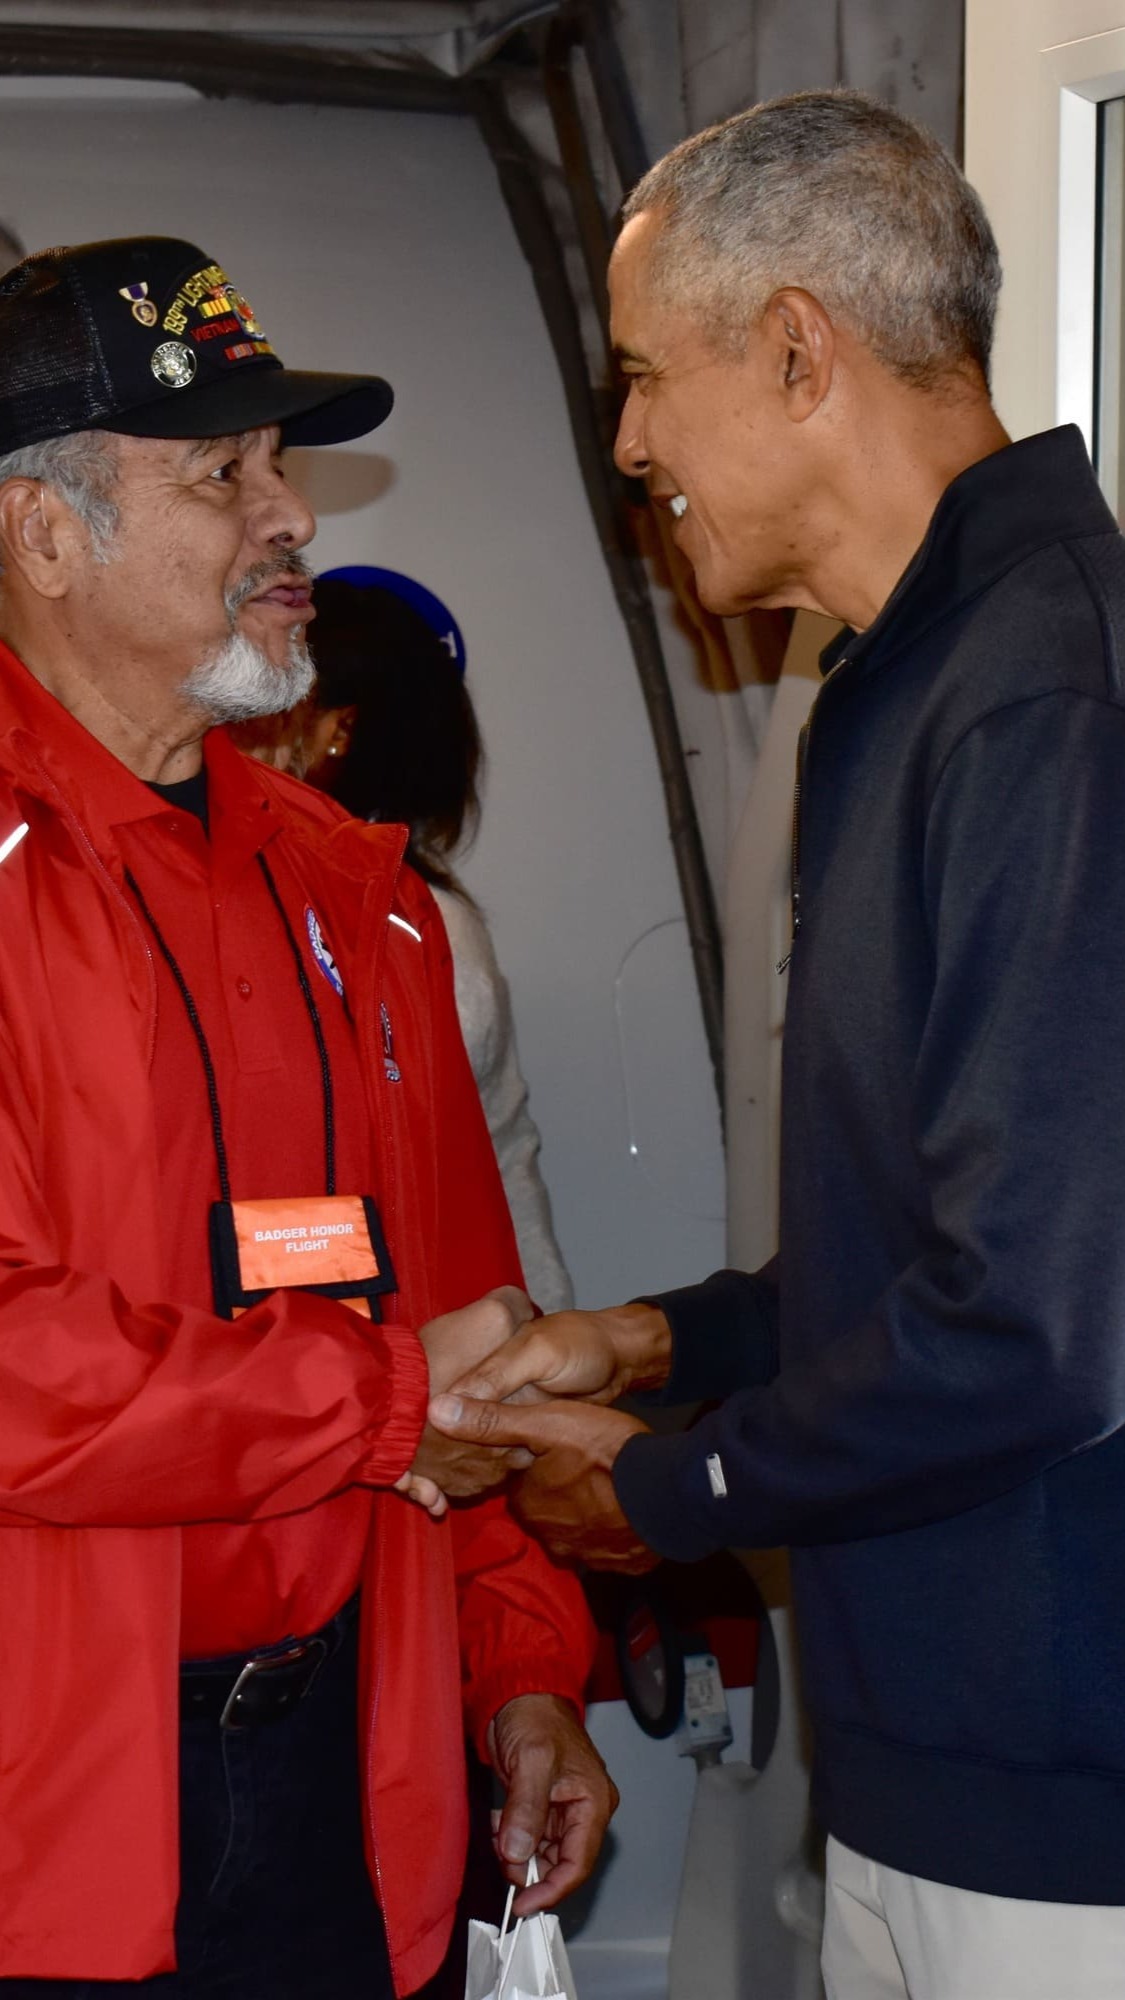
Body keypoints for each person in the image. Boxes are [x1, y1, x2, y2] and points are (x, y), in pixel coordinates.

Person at [430, 89, 1125, 1999]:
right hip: (922, 1771)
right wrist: (657, 1343)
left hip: (1066, 1820)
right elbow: (919, 1254)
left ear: (800, 350)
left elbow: (1037, 1327)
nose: (631, 441)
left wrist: (662, 1491)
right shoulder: (895, 687)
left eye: (648, 375)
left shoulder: (1046, 699)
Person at [0, 233, 614, 1996]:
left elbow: (469, 1317)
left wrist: (521, 1669)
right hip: (50, 1805)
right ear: (44, 535)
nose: (293, 520)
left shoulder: (365, 897)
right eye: (223, 473)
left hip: (354, 1771)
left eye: (284, 465)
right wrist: (382, 1402)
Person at [302, 573, 575, 1313]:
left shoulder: (411, 929)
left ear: (336, 730)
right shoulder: (424, 918)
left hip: (406, 1335)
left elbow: (473, 1165)